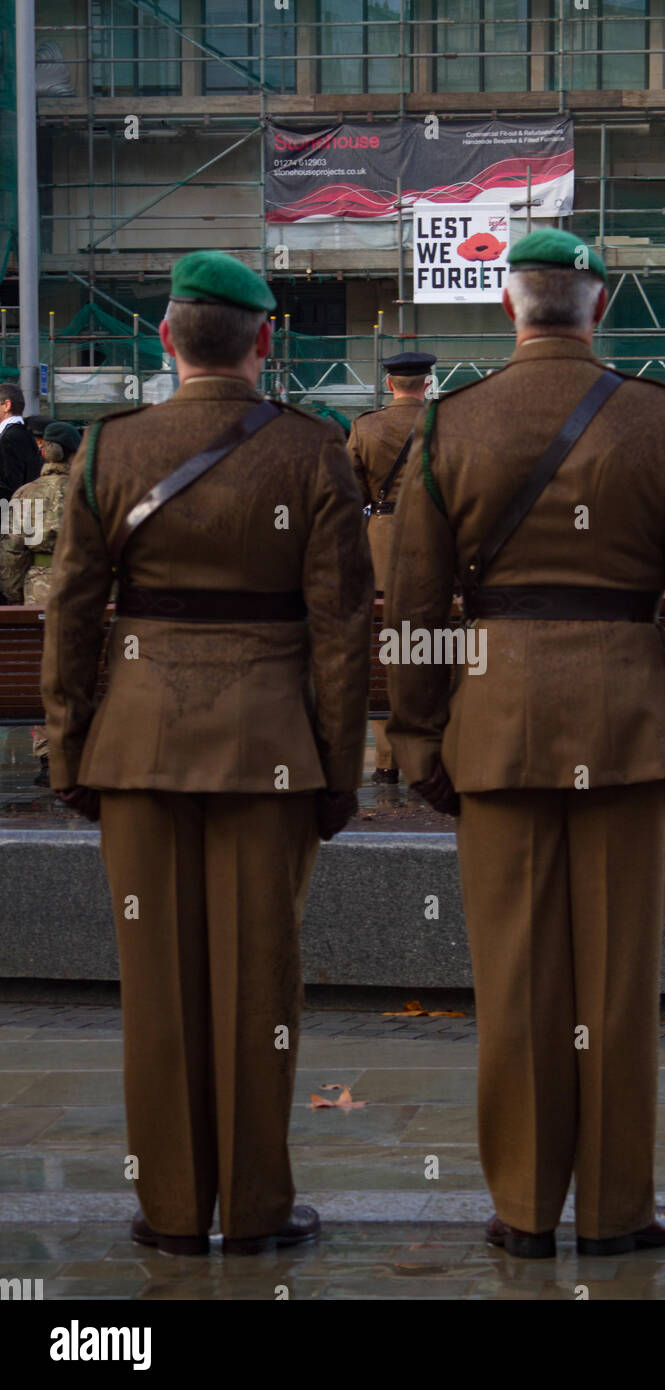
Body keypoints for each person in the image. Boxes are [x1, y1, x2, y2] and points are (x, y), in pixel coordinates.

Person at [384, 228, 665, 1259]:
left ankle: (525, 1208)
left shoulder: (449, 423)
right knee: (618, 981)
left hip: (494, 722)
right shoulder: (659, 420)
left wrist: (418, 736)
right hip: (627, 724)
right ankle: (617, 1207)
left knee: (513, 977)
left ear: (506, 309)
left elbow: (412, 603)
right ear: (599, 304)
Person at [41, 250, 374, 1256]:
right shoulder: (315, 452)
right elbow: (342, 629)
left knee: (155, 989)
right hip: (268, 746)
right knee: (260, 984)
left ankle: (175, 1210)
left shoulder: (109, 450)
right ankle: (257, 1207)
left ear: (164, 336)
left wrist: (69, 748)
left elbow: (70, 611)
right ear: (264, 341)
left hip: (137, 741)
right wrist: (336, 767)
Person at [346, 351, 436, 784]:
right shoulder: (446, 422)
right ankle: (427, 753)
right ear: (428, 382)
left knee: (384, 649)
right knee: (433, 646)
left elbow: (349, 493)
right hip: (433, 543)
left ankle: (386, 760)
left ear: (389, 385)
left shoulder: (366, 427)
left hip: (381, 543)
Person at [0, 420, 80, 786]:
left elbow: (12, 555)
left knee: (44, 672)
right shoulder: (96, 492)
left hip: (39, 592)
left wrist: (16, 597)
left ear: (44, 452)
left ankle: (49, 756)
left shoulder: (24, 495)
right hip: (87, 591)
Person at [0, 383, 43, 504]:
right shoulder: (27, 434)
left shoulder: (8, 438)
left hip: (12, 515)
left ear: (7, 405)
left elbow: (10, 485)